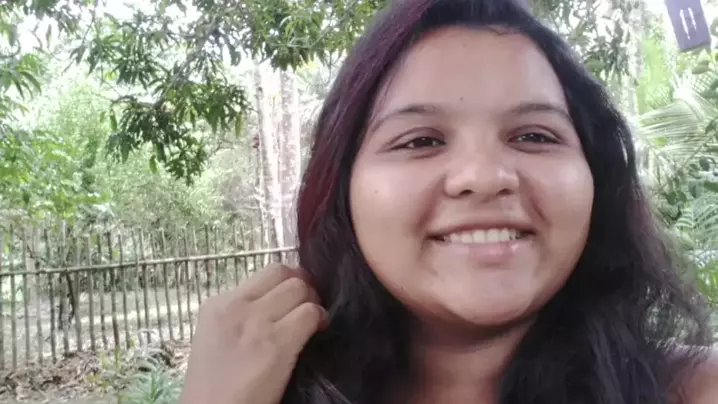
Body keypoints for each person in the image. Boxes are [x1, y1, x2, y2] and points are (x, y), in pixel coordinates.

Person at [179, 0, 718, 403]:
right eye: (421, 141)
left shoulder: (694, 390)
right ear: (343, 189)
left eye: (534, 135)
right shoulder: (259, 388)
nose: (484, 178)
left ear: (596, 177)